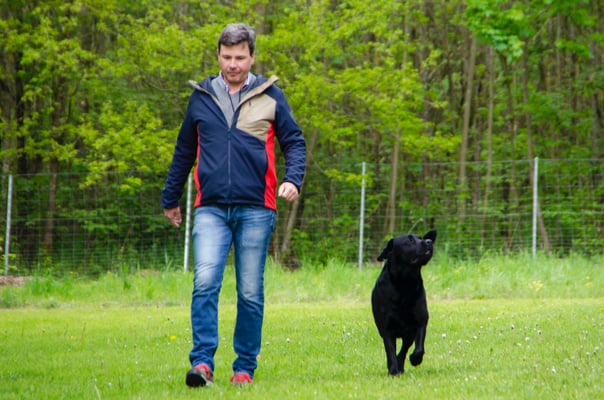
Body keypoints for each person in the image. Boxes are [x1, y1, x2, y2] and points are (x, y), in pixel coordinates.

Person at [161, 23, 306, 387]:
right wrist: (170, 197)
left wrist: (293, 179)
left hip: (257, 208)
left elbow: (294, 142)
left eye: (240, 57)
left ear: (252, 57)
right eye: (226, 57)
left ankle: (244, 369)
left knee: (250, 292)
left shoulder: (271, 96)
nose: (233, 64)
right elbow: (184, 150)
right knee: (205, 282)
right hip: (210, 207)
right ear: (218, 56)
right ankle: (202, 364)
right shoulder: (201, 97)